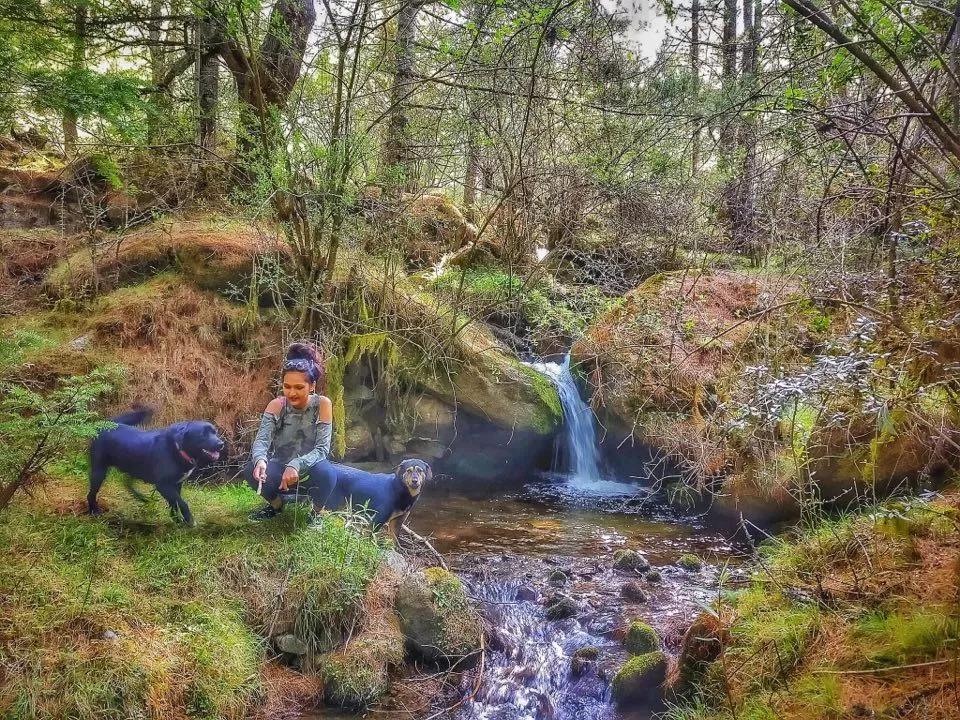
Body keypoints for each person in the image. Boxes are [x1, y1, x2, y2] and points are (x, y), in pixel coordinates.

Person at [245, 341, 336, 524]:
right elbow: (262, 441)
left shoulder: (323, 404)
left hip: (311, 467)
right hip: (281, 466)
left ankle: (316, 514)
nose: (291, 393)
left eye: (299, 387)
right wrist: (261, 460)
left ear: (312, 386)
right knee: (250, 471)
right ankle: (276, 506)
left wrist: (296, 463)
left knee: (327, 473)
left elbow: (322, 448)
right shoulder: (276, 405)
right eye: (287, 386)